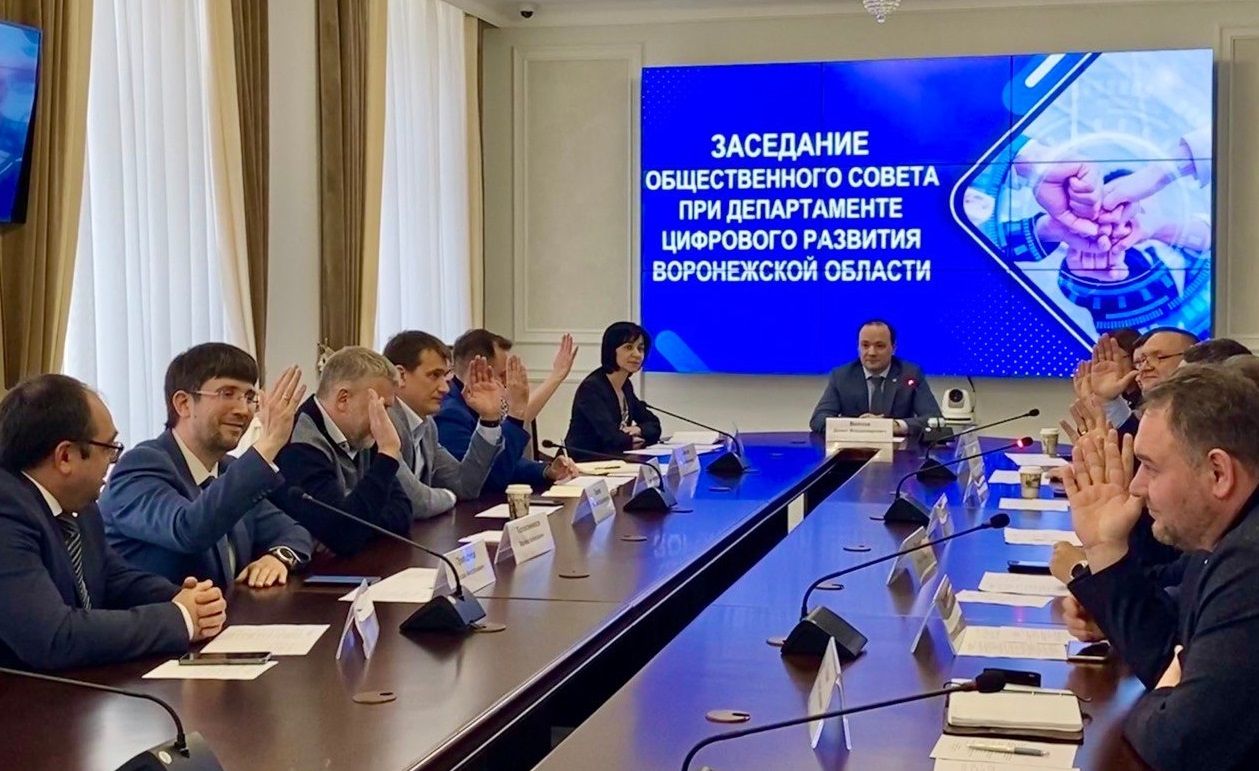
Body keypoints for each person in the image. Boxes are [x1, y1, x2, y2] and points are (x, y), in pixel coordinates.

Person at [1062, 367, 1259, 769]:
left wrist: (1163, 696)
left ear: (1218, 473)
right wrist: (1104, 550)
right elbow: (1167, 653)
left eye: (1150, 467)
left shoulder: (1250, 561)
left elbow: (1178, 743)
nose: (1136, 487)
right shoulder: (1222, 541)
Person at [0, 375, 226, 670]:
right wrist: (179, 618)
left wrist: (186, 599)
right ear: (65, 456)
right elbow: (53, 638)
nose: (114, 460)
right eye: (109, 447)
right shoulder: (6, 511)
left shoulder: (80, 506)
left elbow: (113, 578)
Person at [99, 344, 313, 589]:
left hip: (229, 611)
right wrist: (269, 444)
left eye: (249, 397)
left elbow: (294, 532)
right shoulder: (140, 466)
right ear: (184, 404)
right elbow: (188, 530)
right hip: (160, 612)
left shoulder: (228, 469)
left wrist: (277, 558)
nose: (243, 410)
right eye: (227, 393)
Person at [276, 346, 412, 555]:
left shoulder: (362, 434)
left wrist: (357, 521)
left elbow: (403, 511)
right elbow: (345, 535)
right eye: (380, 407)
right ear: (343, 399)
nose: (385, 419)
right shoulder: (298, 444)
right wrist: (387, 455)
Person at [436, 329, 579, 492]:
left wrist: (546, 471)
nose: (508, 382)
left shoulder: (474, 403)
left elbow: (505, 461)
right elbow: (491, 477)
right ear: (477, 370)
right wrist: (515, 414)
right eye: (503, 375)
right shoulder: (450, 414)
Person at [381, 330, 501, 519]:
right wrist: (448, 496)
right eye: (434, 375)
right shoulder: (383, 424)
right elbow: (417, 502)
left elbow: (464, 486)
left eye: (445, 376)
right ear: (400, 376)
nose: (445, 388)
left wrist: (489, 419)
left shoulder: (427, 426)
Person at [809, 319, 942, 436]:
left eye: (879, 346)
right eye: (865, 345)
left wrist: (895, 426)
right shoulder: (841, 376)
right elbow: (818, 419)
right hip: (852, 452)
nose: (871, 352)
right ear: (858, 347)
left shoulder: (910, 373)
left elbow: (934, 419)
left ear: (894, 348)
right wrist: (857, 426)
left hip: (900, 452)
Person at [565, 322, 661, 460]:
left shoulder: (625, 385)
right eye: (629, 347)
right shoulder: (592, 388)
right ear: (611, 350)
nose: (637, 354)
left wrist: (639, 429)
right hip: (583, 464)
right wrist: (631, 440)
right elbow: (611, 438)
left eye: (640, 348)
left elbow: (654, 425)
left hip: (615, 461)